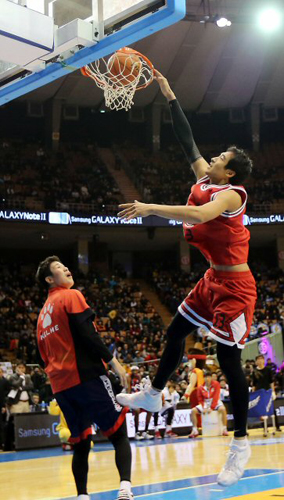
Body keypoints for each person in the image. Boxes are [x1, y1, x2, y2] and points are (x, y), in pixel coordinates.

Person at [116, 70, 257, 487]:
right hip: (213, 279)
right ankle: (154, 392)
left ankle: (241, 444)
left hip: (237, 287)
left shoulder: (231, 195)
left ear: (230, 173)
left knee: (229, 361)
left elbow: (197, 216)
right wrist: (170, 94)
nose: (211, 159)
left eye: (220, 161)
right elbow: (186, 141)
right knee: (175, 330)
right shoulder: (205, 179)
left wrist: (150, 207)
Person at [36, 256, 133, 500]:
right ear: (50, 279)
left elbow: (43, 357)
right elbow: (89, 334)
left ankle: (82, 496)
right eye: (59, 268)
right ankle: (125, 489)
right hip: (87, 376)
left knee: (81, 442)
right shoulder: (71, 296)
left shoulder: (40, 317)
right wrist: (114, 363)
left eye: (64, 265)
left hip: (62, 387)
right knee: (119, 433)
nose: (66, 268)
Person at [189, 371, 228, 438]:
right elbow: (200, 399)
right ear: (204, 378)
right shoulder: (201, 387)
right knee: (193, 411)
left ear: (211, 378)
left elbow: (216, 397)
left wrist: (211, 408)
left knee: (223, 409)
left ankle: (224, 429)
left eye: (209, 377)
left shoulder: (216, 384)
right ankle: (195, 430)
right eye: (206, 377)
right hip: (205, 403)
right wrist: (204, 408)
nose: (207, 379)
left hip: (215, 402)